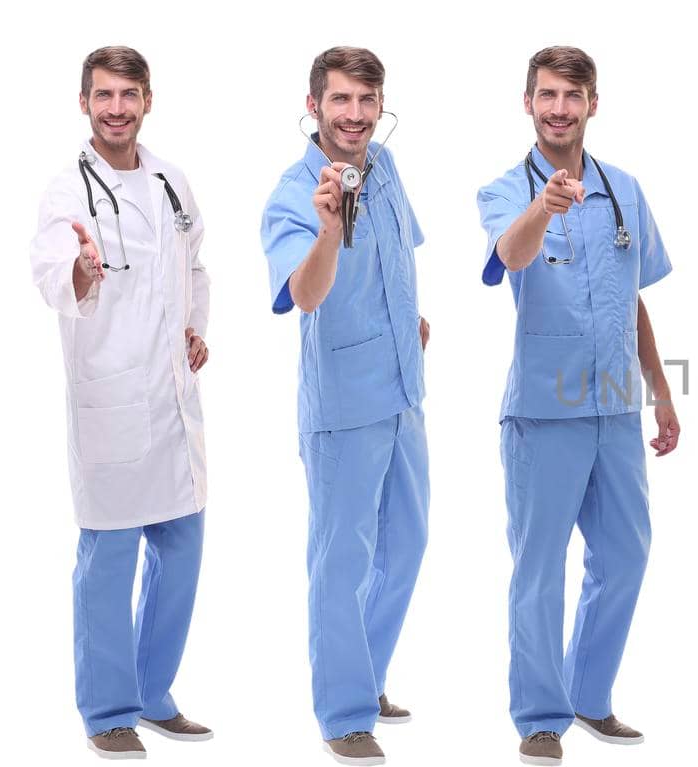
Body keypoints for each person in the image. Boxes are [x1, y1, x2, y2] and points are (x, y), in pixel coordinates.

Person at [475, 45, 678, 767]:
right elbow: (511, 255)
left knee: (625, 554)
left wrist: (662, 396)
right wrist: (543, 206)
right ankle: (539, 715)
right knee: (538, 569)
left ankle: (589, 694)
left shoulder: (625, 190)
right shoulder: (506, 189)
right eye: (547, 95)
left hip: (617, 410)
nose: (560, 107)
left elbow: (634, 299)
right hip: (544, 413)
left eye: (573, 95)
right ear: (528, 103)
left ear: (594, 103)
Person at [28, 44, 215, 761]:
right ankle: (108, 709)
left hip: (173, 400)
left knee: (183, 549)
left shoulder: (172, 180)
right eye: (103, 95)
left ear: (147, 100)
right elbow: (47, 267)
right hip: (110, 397)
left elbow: (194, 264)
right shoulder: (66, 191)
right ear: (84, 103)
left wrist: (197, 327)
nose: (115, 108)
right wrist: (77, 268)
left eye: (127, 95)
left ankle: (153, 691)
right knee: (107, 560)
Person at [261, 46, 431, 766]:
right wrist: (328, 228)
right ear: (314, 106)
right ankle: (343, 712)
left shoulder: (384, 168)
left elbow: (402, 251)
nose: (355, 116)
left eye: (367, 101)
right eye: (341, 101)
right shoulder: (292, 194)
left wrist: (410, 317)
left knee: (406, 544)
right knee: (341, 560)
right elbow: (304, 293)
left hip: (402, 390)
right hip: (343, 406)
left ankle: (366, 674)